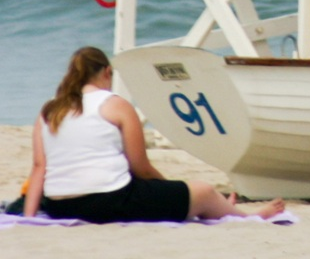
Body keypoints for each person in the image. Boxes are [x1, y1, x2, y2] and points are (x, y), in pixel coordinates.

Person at [23, 47, 285, 224]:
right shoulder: (114, 104)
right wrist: (171, 190)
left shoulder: (49, 110)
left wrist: (30, 218)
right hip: (110, 201)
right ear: (106, 73)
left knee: (192, 195)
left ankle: (223, 208)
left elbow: (39, 169)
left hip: (61, 206)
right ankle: (248, 217)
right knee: (202, 191)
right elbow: (142, 169)